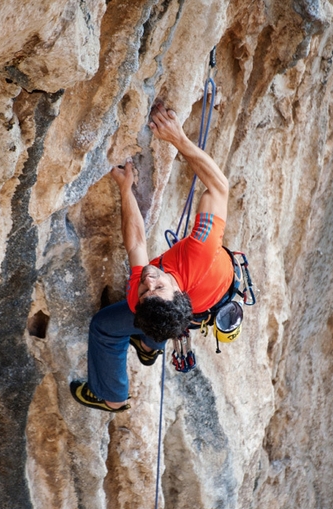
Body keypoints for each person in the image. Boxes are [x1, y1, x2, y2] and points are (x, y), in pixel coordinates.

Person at [70, 101, 234, 412]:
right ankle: (148, 345)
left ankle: (112, 398)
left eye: (146, 291)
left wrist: (126, 190)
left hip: (202, 302)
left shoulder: (141, 299)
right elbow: (218, 187)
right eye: (157, 287)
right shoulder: (199, 251)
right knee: (156, 318)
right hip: (208, 292)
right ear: (178, 292)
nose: (148, 279)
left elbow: (136, 247)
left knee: (104, 326)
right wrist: (177, 139)